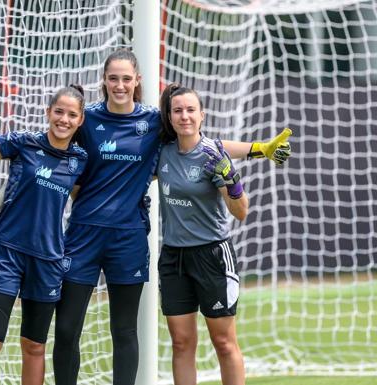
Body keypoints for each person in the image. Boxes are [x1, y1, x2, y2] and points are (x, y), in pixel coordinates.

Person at [52, 49, 290, 385]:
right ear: (103, 81)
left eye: (126, 78)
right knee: (68, 329)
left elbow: (208, 146)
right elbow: (59, 150)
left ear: (137, 82)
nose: (119, 85)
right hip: (91, 237)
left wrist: (258, 149)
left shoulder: (152, 123)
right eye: (113, 78)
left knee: (128, 330)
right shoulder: (88, 120)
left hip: (137, 240)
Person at [0, 85, 88, 385]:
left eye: (72, 115)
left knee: (34, 346)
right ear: (48, 113)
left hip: (47, 261)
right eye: (59, 112)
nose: (64, 119)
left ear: (80, 120)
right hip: (6, 253)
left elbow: (89, 196)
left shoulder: (81, 160)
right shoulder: (24, 143)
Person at [157, 83, 248, 385]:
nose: (185, 116)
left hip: (212, 256)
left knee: (223, 342)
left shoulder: (212, 155)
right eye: (178, 111)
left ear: (202, 115)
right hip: (173, 258)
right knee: (182, 343)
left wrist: (233, 181)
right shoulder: (163, 154)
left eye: (191, 110)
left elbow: (240, 212)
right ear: (169, 118)